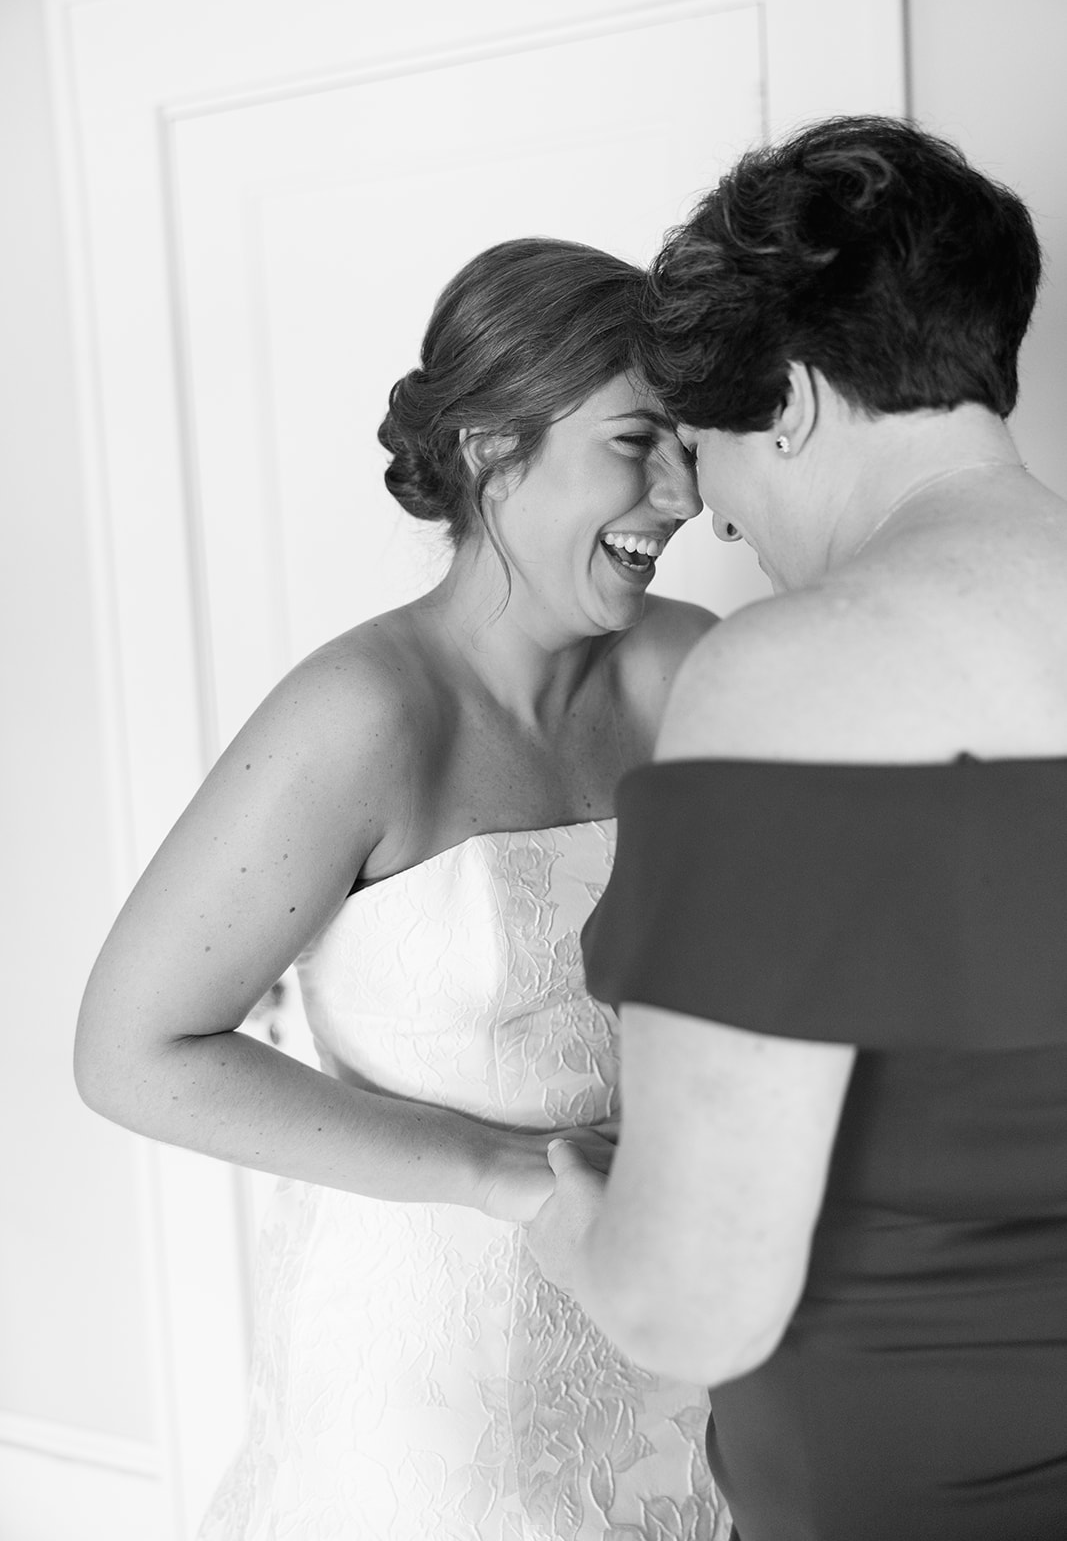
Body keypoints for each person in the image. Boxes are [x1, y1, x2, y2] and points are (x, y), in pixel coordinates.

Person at [74, 237, 733, 1540]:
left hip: (663, 1326)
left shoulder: (689, 667)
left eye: (693, 446)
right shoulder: (361, 715)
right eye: (637, 441)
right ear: (493, 447)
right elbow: (129, 1053)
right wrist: (510, 1178)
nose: (684, 494)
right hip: (430, 1372)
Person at [527, 119, 1067, 1540]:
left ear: (798, 405)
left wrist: (560, 1211)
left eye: (706, 452)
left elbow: (686, 1306)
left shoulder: (787, 677)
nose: (712, 523)